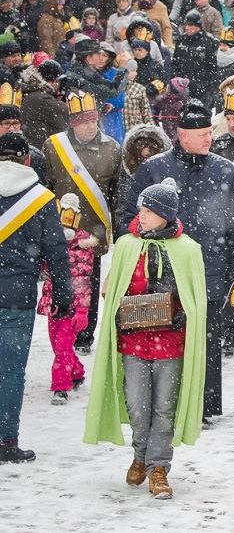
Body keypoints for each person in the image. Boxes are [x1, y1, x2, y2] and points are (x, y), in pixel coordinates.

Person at [119, 99, 234, 421]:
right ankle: (166, 404)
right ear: (181, 136)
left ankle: (204, 406)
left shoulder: (225, 168)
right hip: (162, 270)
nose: (209, 139)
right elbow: (128, 216)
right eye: (202, 134)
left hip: (211, 267)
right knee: (164, 339)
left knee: (206, 340)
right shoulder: (155, 169)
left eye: (210, 132)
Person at [82, 178, 207, 499]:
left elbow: (195, 299)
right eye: (142, 209)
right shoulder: (126, 245)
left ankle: (158, 468)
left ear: (165, 214)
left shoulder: (188, 250)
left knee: (164, 408)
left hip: (171, 342)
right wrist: (123, 313)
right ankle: (140, 454)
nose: (143, 215)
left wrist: (179, 308)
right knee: (138, 406)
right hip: (133, 341)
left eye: (149, 210)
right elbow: (115, 288)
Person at [0, 132, 70, 463]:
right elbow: (57, 253)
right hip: (18, 296)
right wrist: (64, 294)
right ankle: (7, 440)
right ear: (27, 159)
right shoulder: (41, 198)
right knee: (11, 371)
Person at [43, 91, 121, 353]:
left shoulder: (112, 148)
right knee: (61, 284)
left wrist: (120, 232)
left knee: (91, 285)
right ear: (73, 122)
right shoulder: (54, 147)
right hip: (59, 232)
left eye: (93, 120)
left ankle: (85, 335)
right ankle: (62, 332)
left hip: (93, 232)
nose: (90, 126)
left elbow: (116, 195)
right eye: (84, 121)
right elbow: (45, 189)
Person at [37, 193, 94, 404]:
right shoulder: (51, 243)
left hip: (71, 306)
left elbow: (82, 282)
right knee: (59, 345)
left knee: (62, 347)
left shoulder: (83, 248)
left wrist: (81, 310)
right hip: (54, 303)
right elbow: (45, 269)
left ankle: (61, 388)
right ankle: (77, 372)